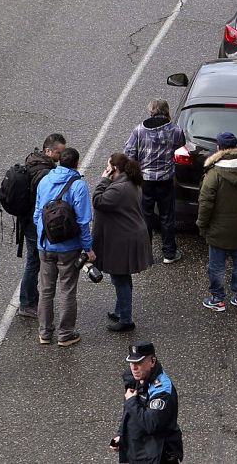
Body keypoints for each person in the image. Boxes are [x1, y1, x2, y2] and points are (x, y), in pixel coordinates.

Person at [34, 146, 95, 347]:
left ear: (60, 161)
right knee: (67, 290)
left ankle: (44, 333)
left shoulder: (45, 180)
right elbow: (83, 221)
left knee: (46, 289)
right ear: (77, 163)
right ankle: (65, 334)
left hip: (45, 245)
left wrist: (43, 236)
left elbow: (37, 213)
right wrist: (88, 248)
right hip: (68, 248)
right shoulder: (78, 185)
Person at [196, 132, 237, 313]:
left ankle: (217, 299)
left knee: (216, 266)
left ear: (219, 148)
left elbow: (205, 203)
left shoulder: (214, 173)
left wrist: (202, 224)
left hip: (218, 227)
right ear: (236, 147)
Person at [93, 152, 154, 332]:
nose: (106, 170)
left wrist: (103, 181)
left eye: (108, 167)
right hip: (128, 235)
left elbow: (98, 201)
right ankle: (120, 311)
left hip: (123, 239)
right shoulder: (129, 182)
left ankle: (126, 319)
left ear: (115, 169)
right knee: (121, 276)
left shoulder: (118, 189)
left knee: (120, 278)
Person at [14, 133, 67, 319]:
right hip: (33, 224)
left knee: (33, 261)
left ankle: (30, 299)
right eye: (59, 152)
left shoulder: (33, 161)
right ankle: (27, 303)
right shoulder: (44, 173)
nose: (62, 156)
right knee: (34, 263)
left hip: (27, 220)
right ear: (48, 151)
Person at [124, 99, 183, 263]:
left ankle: (145, 253)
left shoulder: (139, 130)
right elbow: (180, 148)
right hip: (166, 180)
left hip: (145, 180)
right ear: (167, 111)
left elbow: (129, 153)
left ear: (151, 111)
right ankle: (169, 253)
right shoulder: (176, 130)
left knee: (145, 216)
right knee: (167, 216)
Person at [116, 341, 183, 463]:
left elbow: (151, 424)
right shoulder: (136, 377)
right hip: (137, 451)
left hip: (157, 457)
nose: (134, 368)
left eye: (139, 363)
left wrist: (131, 401)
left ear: (152, 361)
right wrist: (120, 435)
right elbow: (128, 413)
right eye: (131, 362)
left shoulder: (162, 390)